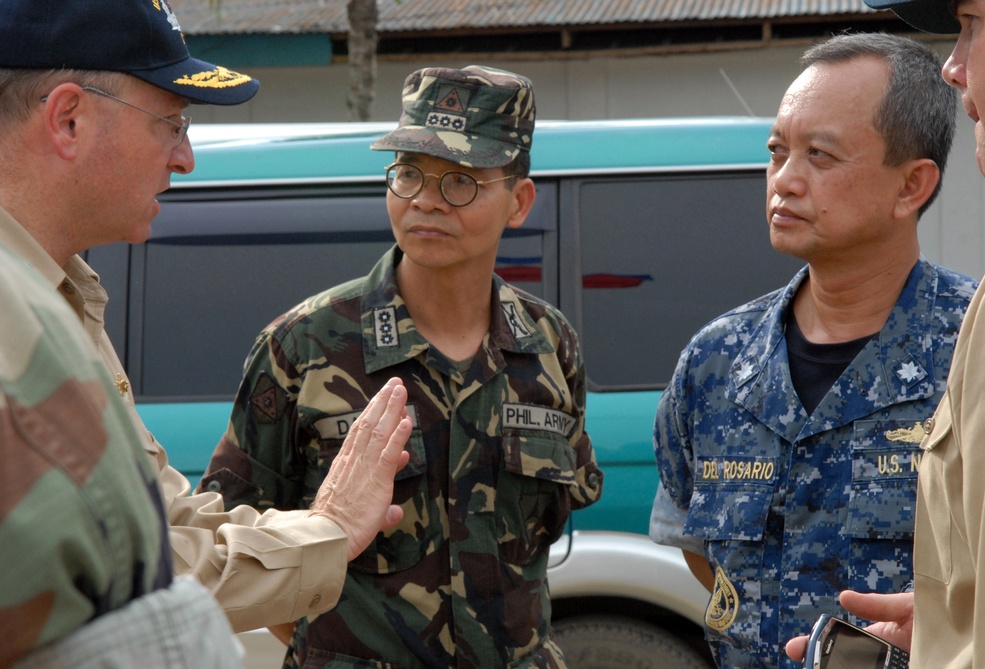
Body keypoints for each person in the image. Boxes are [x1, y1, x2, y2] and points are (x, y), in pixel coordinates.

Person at [0, 0, 414, 637]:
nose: (185, 158)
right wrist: (326, 533)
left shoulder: (55, 291)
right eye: (171, 123)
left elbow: (154, 523)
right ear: (68, 120)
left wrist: (326, 529)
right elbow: (118, 571)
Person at [198, 65, 604, 667]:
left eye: (460, 181)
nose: (425, 201)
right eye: (409, 173)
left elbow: (543, 535)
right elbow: (231, 539)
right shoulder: (304, 346)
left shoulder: (549, 344)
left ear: (518, 201)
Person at [649, 31, 977, 668]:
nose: (785, 180)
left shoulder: (978, 349)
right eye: (778, 152)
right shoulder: (717, 361)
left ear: (911, 186)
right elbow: (698, 547)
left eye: (820, 157)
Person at [786, 1, 985, 667]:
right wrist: (961, 623)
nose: (953, 67)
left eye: (973, 22)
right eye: (778, 151)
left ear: (913, 184)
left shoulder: (966, 313)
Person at [0, 240, 241, 668]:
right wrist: (326, 536)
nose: (184, 167)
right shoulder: (22, 307)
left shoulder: (70, 293)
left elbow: (159, 521)